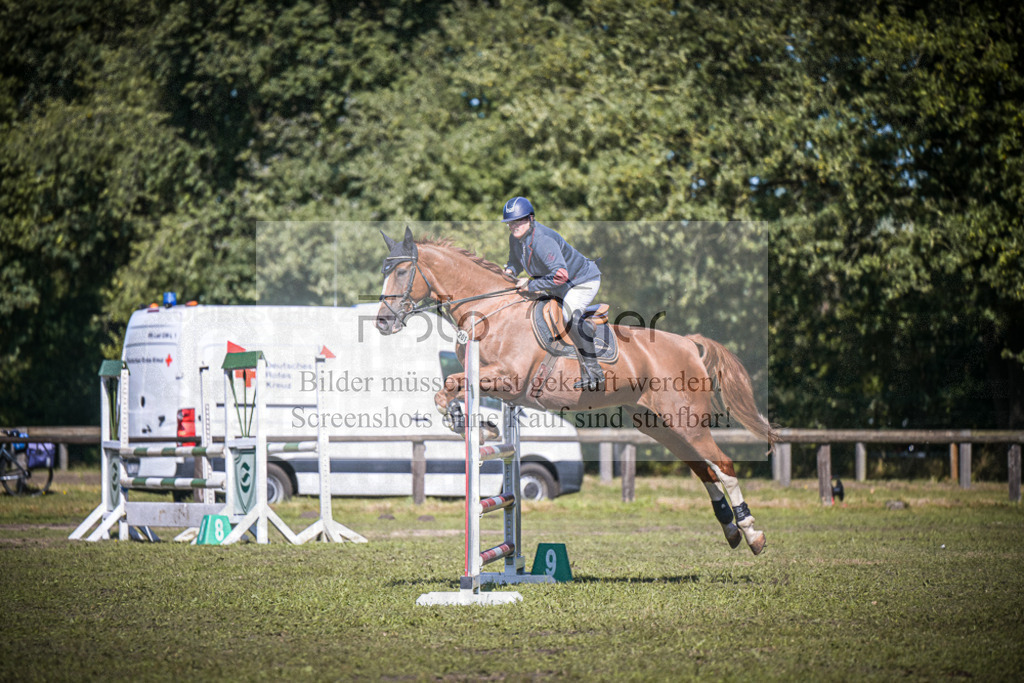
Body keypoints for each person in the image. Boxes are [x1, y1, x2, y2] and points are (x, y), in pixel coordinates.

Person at [501, 196, 605, 390]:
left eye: (519, 220)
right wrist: (509, 272)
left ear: (531, 218)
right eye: (510, 223)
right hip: (560, 285)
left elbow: (560, 276)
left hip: (581, 281)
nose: (514, 226)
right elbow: (514, 261)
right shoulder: (516, 239)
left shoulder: (542, 241)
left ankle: (594, 370)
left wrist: (530, 285)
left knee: (568, 315)